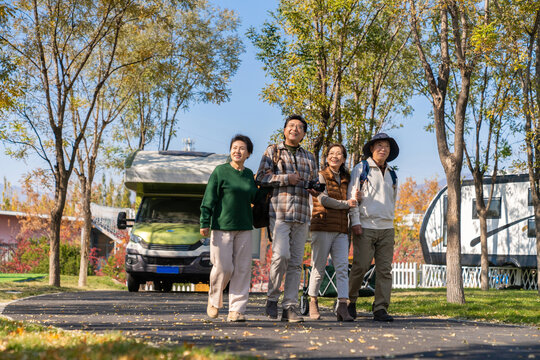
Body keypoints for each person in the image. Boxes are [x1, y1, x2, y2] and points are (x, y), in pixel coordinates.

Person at [256, 114, 318, 323]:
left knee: (295, 263)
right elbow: (261, 177)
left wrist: (315, 189)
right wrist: (285, 178)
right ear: (284, 130)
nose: (295, 129)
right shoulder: (273, 151)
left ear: (303, 134)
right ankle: (272, 297)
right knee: (281, 256)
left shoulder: (309, 157)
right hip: (279, 213)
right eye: (291, 126)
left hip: (302, 215)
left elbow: (313, 182)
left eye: (300, 127)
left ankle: (290, 306)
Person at [200, 134, 261, 322]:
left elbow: (254, 198)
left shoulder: (249, 175)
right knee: (223, 267)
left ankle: (237, 310)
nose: (237, 151)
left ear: (248, 153)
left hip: (244, 227)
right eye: (235, 147)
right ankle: (214, 301)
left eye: (242, 148)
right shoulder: (220, 171)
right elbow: (209, 197)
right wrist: (205, 221)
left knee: (242, 269)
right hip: (222, 226)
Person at [347, 133, 399, 322]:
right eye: (379, 145)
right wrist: (356, 222)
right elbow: (353, 196)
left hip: (387, 227)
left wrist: (392, 224)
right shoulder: (362, 168)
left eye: (386, 146)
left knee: (385, 270)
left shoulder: (392, 173)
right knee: (360, 267)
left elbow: (393, 201)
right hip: (365, 225)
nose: (383, 149)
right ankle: (349, 302)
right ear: (371, 148)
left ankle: (380, 308)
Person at [308, 144, 357, 322]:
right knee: (318, 267)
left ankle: (342, 306)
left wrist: (355, 200)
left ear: (344, 158)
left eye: (338, 154)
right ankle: (313, 301)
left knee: (342, 268)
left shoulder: (346, 178)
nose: (334, 156)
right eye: (331, 153)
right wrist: (346, 204)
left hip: (341, 229)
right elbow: (324, 200)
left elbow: (354, 198)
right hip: (322, 226)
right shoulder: (320, 176)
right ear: (327, 157)